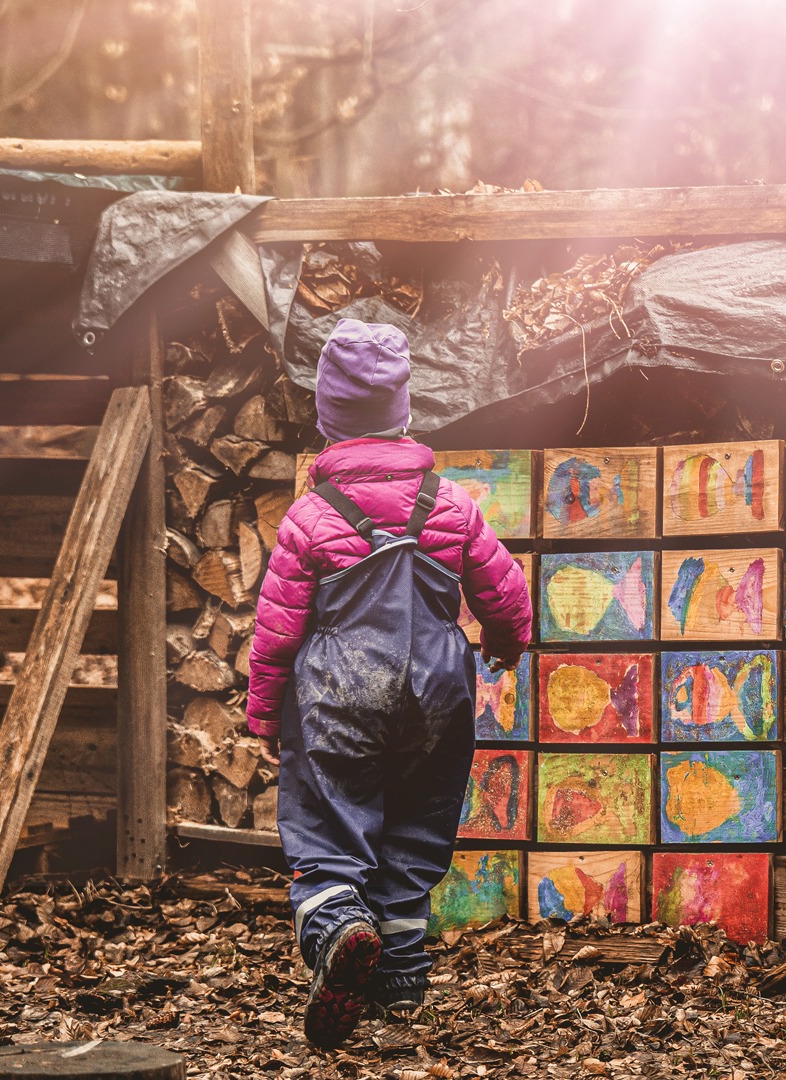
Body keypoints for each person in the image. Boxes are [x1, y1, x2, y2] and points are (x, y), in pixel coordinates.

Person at [246, 318, 532, 1050]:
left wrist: (265, 717)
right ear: (403, 413)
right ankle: (401, 977)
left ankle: (342, 925)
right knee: (414, 828)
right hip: (437, 694)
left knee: (326, 829)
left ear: (327, 419)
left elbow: (277, 630)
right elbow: (506, 594)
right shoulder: (450, 503)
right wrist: (505, 645)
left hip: (340, 696)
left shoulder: (311, 517)